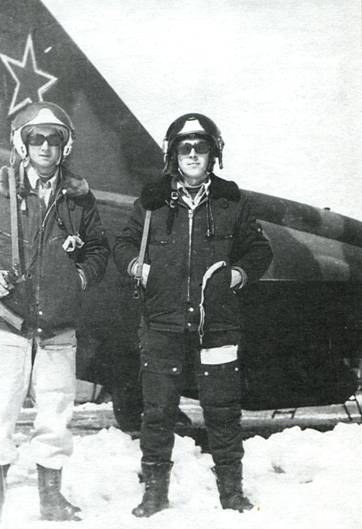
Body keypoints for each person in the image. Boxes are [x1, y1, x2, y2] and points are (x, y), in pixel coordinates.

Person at [0, 101, 109, 523]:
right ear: (23, 144)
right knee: (1, 408)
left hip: (59, 325)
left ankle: (52, 499)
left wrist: (78, 279)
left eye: (53, 139)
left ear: (65, 146)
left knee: (56, 412)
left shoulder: (79, 198)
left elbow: (98, 249)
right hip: (8, 320)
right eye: (36, 138)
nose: (44, 146)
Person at [113, 113, 273, 517]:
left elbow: (260, 250)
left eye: (201, 147)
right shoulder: (151, 202)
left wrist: (239, 274)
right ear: (173, 155)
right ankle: (154, 495)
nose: (192, 154)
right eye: (184, 148)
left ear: (213, 153)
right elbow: (124, 244)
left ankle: (231, 493)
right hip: (162, 322)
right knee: (157, 412)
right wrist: (138, 268)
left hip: (217, 324)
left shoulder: (232, 202)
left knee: (223, 411)